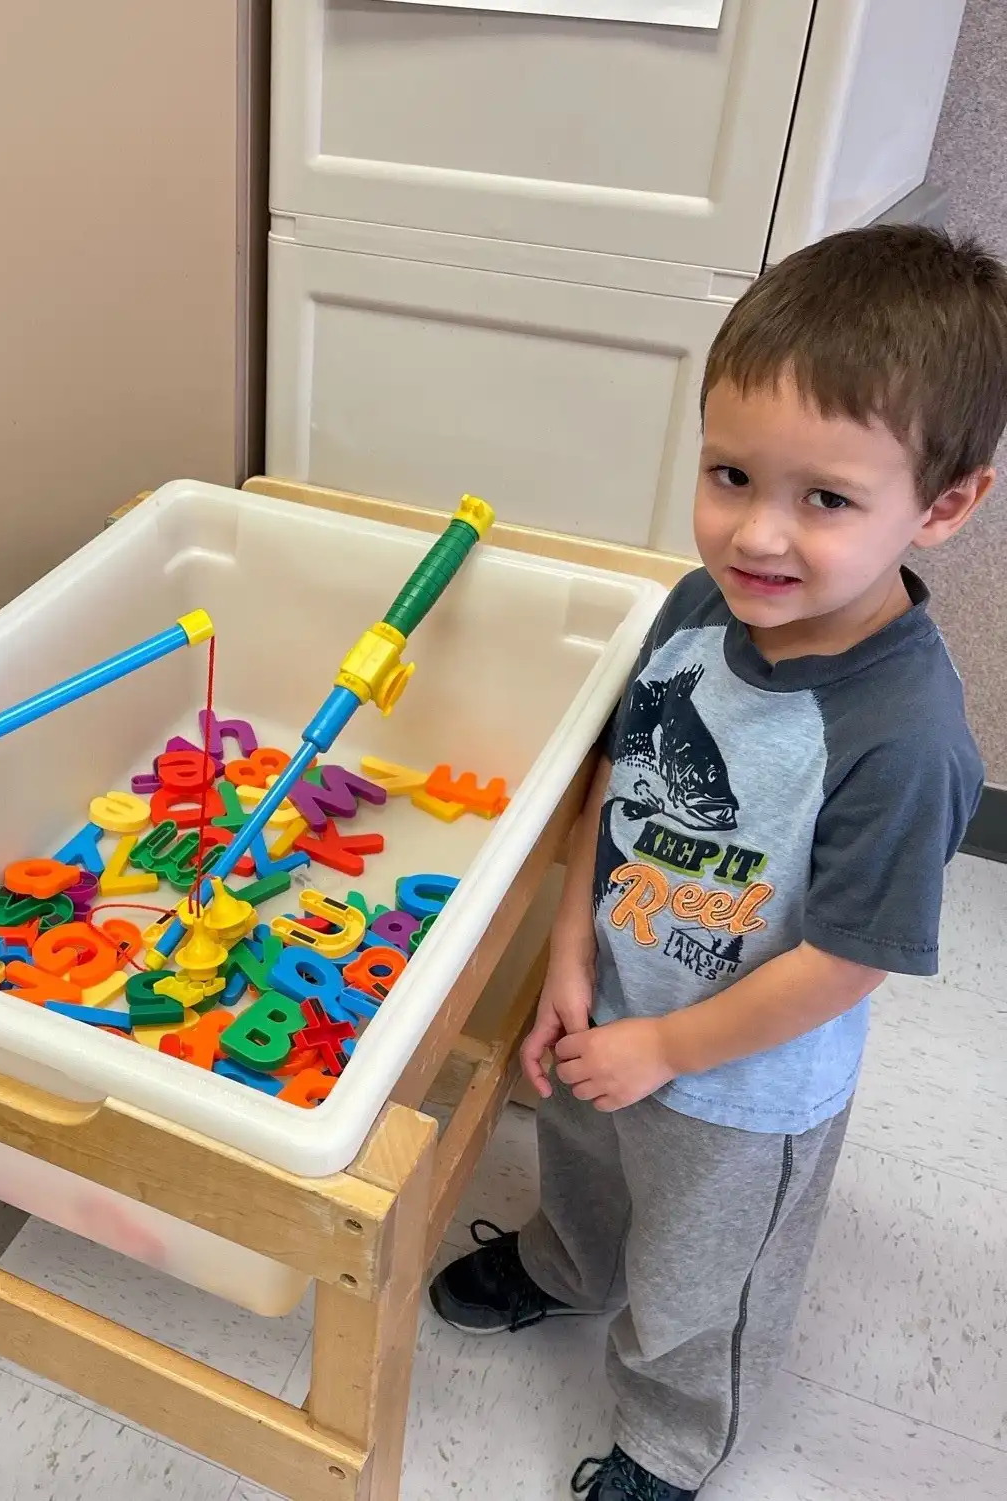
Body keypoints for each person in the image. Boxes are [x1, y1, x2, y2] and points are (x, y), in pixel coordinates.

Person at [429, 224, 1002, 1500]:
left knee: (704, 1269)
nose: (759, 535)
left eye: (828, 500)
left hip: (745, 1087)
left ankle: (671, 1435)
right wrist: (570, 956)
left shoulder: (905, 737)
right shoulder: (700, 611)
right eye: (732, 474)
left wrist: (673, 1051)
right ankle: (568, 1269)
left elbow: (851, 962)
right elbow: (613, 787)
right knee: (580, 1158)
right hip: (620, 1002)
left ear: (946, 504)